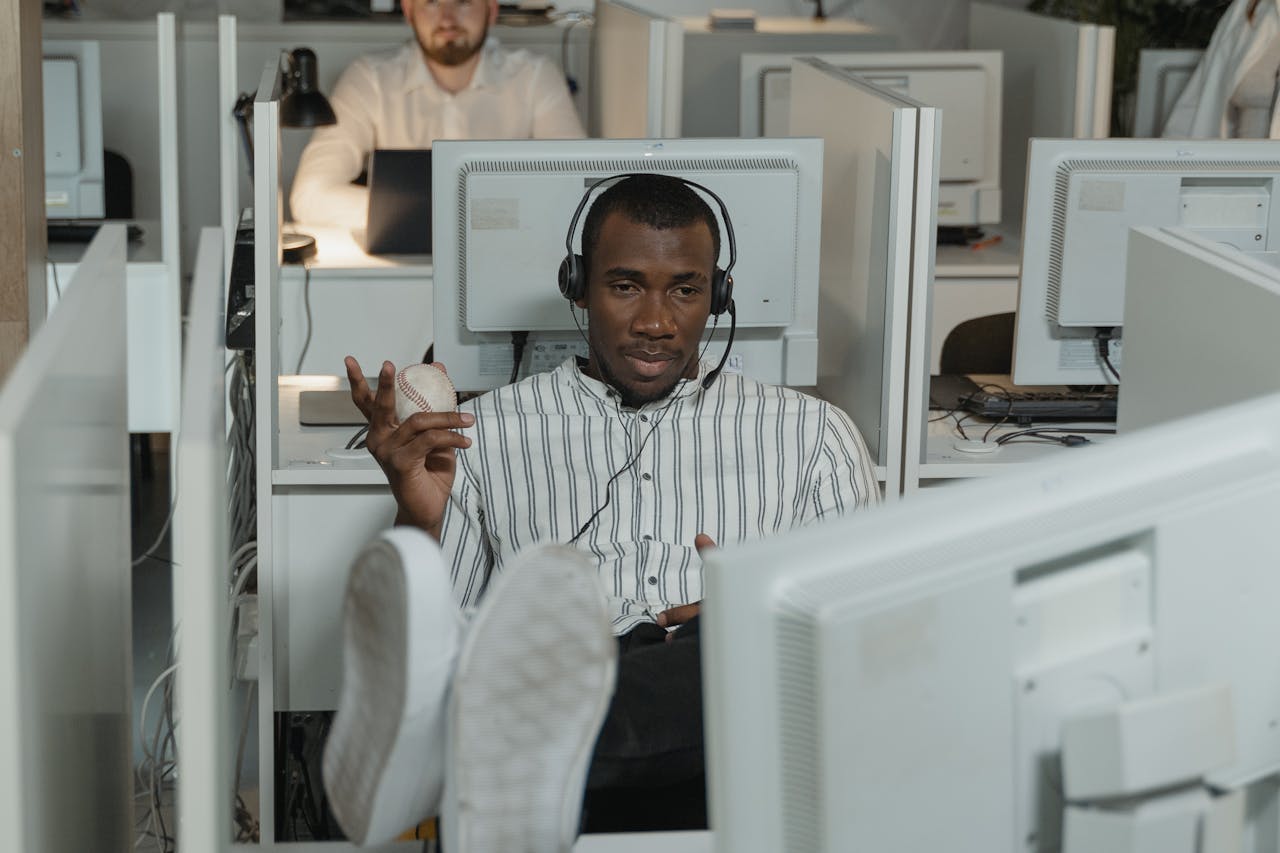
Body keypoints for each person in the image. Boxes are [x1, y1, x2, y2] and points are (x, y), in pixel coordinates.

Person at [324, 174, 880, 850]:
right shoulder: (484, 433)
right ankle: (531, 730)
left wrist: (753, 618)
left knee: (728, 653)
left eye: (685, 289)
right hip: (567, 679)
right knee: (527, 662)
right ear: (578, 287)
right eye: (625, 286)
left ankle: (500, 742)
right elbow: (447, 634)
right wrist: (418, 513)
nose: (655, 321)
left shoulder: (813, 433)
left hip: (724, 711)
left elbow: (869, 646)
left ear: (719, 295)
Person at [289, 0, 586, 229]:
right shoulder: (370, 79)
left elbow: (577, 187)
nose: (447, 18)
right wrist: (437, 216)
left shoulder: (535, 76)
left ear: (491, 9)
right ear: (408, 10)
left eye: (464, 1)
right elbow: (310, 195)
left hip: (509, 261)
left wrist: (412, 213)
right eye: (431, 1)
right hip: (403, 272)